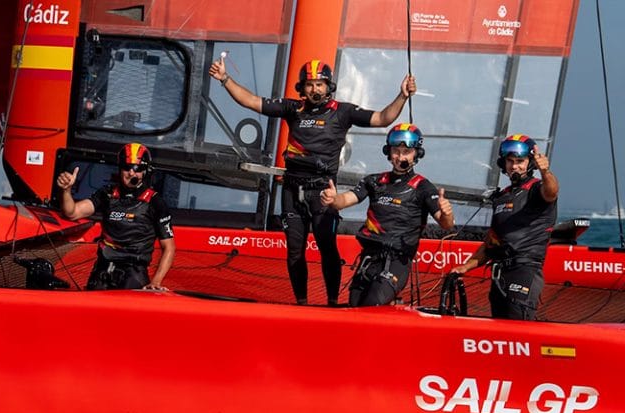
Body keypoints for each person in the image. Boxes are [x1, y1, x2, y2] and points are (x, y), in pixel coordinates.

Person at [209, 57, 416, 306]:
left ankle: (331, 303)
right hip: (291, 189)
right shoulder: (293, 108)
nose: (314, 89)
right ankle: (302, 303)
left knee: (327, 248)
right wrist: (225, 79)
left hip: (322, 192)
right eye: (309, 84)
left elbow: (383, 118)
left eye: (319, 84)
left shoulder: (343, 111)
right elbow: (251, 101)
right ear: (302, 87)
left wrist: (402, 95)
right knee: (294, 251)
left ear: (329, 86)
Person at [320, 123, 454, 306]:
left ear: (417, 154)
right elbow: (346, 200)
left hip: (397, 261)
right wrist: (333, 199)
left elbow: (446, 224)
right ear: (388, 152)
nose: (400, 157)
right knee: (354, 307)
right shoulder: (374, 181)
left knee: (371, 304)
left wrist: (447, 213)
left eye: (406, 152)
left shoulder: (423, 187)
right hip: (369, 258)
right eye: (396, 151)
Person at [451, 134, 558, 320]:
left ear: (530, 163)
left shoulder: (537, 189)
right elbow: (491, 242)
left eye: (520, 161)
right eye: (510, 161)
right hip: (500, 273)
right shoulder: (502, 197)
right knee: (499, 324)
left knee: (517, 324)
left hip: (525, 269)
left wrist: (545, 172)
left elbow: (552, 192)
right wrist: (465, 267)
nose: (514, 166)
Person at [57, 142, 175, 290]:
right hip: (102, 271)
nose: (131, 173)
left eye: (137, 169)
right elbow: (72, 212)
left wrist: (156, 282)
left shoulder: (155, 202)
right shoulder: (107, 194)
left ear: (145, 171)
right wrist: (66, 190)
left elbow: (169, 247)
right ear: (119, 168)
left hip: (133, 273)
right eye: (127, 167)